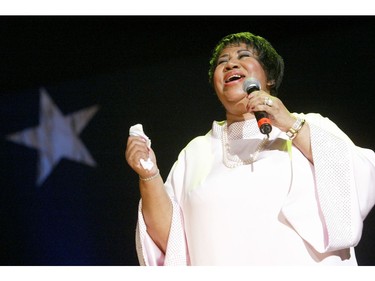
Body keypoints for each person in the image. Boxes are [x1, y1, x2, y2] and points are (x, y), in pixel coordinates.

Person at [125, 31, 375, 265]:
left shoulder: (309, 126)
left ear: (270, 77)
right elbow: (171, 241)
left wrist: (289, 124)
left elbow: (357, 179)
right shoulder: (195, 153)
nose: (231, 64)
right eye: (223, 61)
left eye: (244, 57)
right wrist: (148, 175)